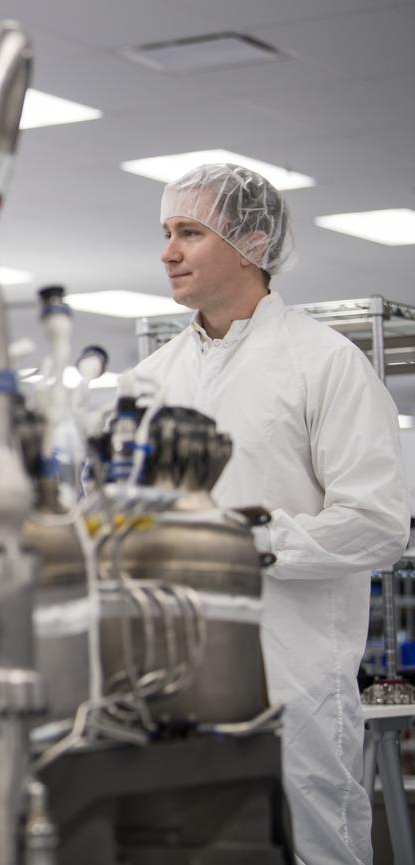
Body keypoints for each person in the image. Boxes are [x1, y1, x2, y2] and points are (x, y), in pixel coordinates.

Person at [135, 163, 410, 865]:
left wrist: (244, 538)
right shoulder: (152, 378)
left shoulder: (325, 364)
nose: (168, 251)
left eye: (190, 232)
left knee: (304, 847)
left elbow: (379, 522)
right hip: (174, 686)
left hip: (292, 689)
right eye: (167, 232)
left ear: (252, 242)